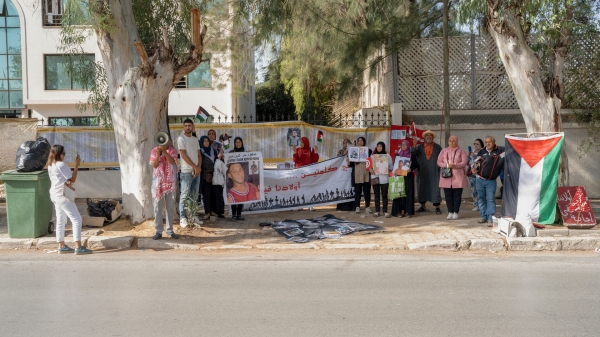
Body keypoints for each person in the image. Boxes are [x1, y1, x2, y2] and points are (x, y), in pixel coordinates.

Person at [47, 145, 92, 255]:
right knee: (77, 219)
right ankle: (78, 247)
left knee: (61, 220)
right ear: (59, 154)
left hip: (54, 194)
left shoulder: (51, 165)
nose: (65, 155)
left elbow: (62, 180)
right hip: (62, 196)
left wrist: (67, 182)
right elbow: (73, 179)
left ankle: (61, 246)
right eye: (64, 153)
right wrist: (76, 164)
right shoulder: (61, 164)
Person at [150, 139, 179, 240]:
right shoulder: (154, 150)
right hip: (158, 183)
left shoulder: (173, 151)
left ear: (168, 141)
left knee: (170, 207)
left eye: (165, 141)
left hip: (170, 184)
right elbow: (154, 165)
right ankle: (158, 231)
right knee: (157, 207)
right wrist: (158, 154)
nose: (162, 144)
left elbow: (172, 162)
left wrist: (165, 152)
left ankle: (170, 230)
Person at [474, 136, 505, 226]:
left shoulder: (500, 150)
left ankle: (490, 218)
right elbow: (477, 162)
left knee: (491, 199)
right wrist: (474, 169)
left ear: (494, 142)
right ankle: (483, 217)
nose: (488, 144)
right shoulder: (482, 151)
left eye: (489, 142)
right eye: (486, 142)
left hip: (491, 181)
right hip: (479, 179)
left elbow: (511, 149)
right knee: (481, 198)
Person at [177, 118, 202, 228]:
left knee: (194, 195)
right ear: (183, 127)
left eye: (189, 125)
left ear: (192, 127)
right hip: (186, 172)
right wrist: (195, 167)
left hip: (196, 171)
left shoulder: (195, 139)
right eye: (186, 126)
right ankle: (183, 218)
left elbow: (199, 155)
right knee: (185, 195)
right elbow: (183, 155)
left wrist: (199, 168)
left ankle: (193, 216)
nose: (187, 127)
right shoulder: (181, 139)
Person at [437, 135, 469, 220]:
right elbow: (439, 161)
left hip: (458, 177)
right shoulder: (444, 151)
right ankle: (450, 212)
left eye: (453, 141)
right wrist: (446, 165)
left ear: (457, 142)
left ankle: (456, 212)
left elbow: (464, 162)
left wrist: (455, 165)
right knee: (448, 195)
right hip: (446, 176)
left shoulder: (461, 151)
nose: (451, 142)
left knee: (457, 195)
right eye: (450, 141)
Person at [414, 130, 442, 214]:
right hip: (422, 171)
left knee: (435, 188)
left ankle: (437, 207)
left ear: (432, 137)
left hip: (434, 171)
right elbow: (413, 154)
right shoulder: (419, 147)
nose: (429, 137)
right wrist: (414, 146)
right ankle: (423, 206)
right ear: (424, 137)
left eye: (430, 135)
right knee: (422, 187)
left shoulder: (438, 147)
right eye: (427, 135)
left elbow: (442, 158)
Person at [391, 140, 419, 218]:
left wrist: (411, 169)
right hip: (399, 177)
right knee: (399, 193)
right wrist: (395, 172)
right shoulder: (398, 156)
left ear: (408, 146)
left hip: (408, 177)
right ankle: (399, 211)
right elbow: (394, 166)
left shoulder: (412, 155)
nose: (403, 146)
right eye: (402, 145)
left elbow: (416, 166)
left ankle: (408, 211)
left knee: (408, 194)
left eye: (405, 145)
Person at [200, 135, 225, 220]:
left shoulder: (213, 151)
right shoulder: (200, 152)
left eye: (207, 141)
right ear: (202, 142)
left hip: (214, 175)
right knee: (206, 194)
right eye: (204, 141)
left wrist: (220, 156)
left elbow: (217, 161)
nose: (206, 142)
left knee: (214, 194)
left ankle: (214, 210)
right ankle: (207, 212)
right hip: (205, 176)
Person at [348, 136, 372, 214]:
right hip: (357, 173)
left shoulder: (369, 151)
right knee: (357, 191)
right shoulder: (353, 151)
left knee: (367, 191)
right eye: (359, 141)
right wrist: (348, 160)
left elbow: (371, 161)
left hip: (366, 173)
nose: (360, 142)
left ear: (364, 142)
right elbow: (351, 164)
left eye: (361, 141)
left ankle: (367, 207)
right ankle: (357, 207)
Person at [369, 142, 393, 218]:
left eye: (381, 146)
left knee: (384, 195)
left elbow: (391, 166)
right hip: (375, 177)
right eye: (378, 146)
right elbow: (368, 165)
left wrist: (389, 169)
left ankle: (385, 211)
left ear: (383, 147)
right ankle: (377, 211)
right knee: (376, 195)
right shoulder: (373, 156)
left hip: (384, 178)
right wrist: (370, 170)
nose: (379, 148)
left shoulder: (387, 156)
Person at [229, 137, 247, 220]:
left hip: (242, 177)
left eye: (239, 142)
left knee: (241, 195)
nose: (238, 143)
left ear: (242, 143)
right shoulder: (231, 153)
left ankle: (239, 214)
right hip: (233, 177)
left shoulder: (245, 153)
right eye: (236, 142)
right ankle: (233, 214)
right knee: (234, 195)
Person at [468, 139, 484, 211]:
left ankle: (481, 205)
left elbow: (479, 162)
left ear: (481, 145)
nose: (475, 145)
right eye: (474, 144)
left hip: (480, 174)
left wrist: (474, 156)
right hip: (472, 174)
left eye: (477, 144)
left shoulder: (483, 152)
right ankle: (476, 204)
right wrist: (468, 156)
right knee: (473, 190)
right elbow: (468, 163)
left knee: (480, 190)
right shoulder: (472, 152)